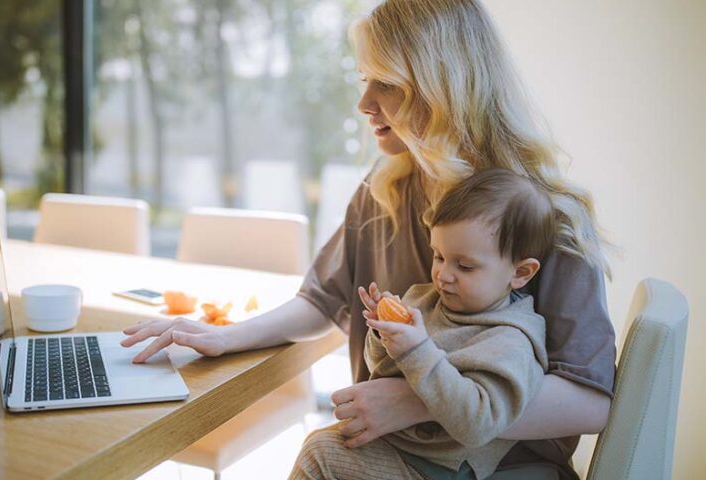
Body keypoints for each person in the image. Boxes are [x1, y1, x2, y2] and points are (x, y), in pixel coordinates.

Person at [120, 0, 615, 478]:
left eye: (388, 84)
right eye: (364, 81)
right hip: (389, 456)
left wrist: (420, 401)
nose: (364, 104)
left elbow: (590, 401)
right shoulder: (384, 189)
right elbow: (323, 300)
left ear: (443, 87)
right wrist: (225, 336)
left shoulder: (546, 215)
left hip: (504, 469)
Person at [289, 168, 555, 480]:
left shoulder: (511, 341)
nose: (444, 274)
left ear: (520, 273)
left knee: (319, 455)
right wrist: (384, 334)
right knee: (321, 441)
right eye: (438, 256)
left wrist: (417, 350)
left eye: (464, 266)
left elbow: (478, 424)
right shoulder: (425, 299)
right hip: (397, 445)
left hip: (439, 468)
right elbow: (381, 370)